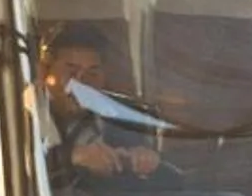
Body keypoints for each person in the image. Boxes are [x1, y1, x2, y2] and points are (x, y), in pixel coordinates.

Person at [29, 24, 160, 183]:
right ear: (44, 72)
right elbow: (18, 167)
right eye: (71, 71)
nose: (82, 82)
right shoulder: (24, 113)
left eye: (93, 73)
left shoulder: (126, 117)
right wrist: (72, 156)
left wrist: (145, 160)